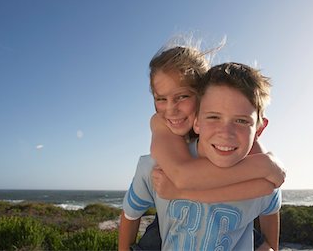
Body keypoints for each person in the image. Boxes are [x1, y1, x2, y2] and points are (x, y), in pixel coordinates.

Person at [120, 62, 282, 250]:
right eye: (213, 117)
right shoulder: (156, 167)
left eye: (241, 121)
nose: (225, 133)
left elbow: (271, 209)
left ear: (259, 129)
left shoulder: (264, 173)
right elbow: (130, 215)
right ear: (196, 121)